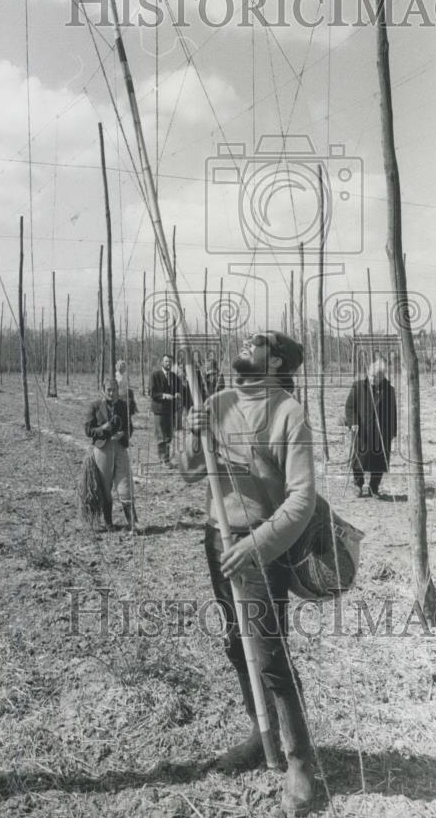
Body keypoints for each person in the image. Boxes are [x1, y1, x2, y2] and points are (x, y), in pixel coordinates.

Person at [179, 330, 316, 816]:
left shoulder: (288, 414)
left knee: (270, 654)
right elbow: (189, 471)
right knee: (237, 644)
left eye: (258, 342)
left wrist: (256, 546)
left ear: (276, 363)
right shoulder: (215, 402)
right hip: (218, 538)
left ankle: (300, 764)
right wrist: (191, 434)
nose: (245, 342)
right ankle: (262, 735)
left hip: (262, 548)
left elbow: (301, 498)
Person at [84, 377, 138, 530]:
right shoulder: (95, 406)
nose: (112, 393)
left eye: (114, 389)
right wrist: (102, 429)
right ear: (103, 390)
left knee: (125, 483)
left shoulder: (123, 405)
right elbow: (88, 430)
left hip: (120, 448)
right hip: (103, 449)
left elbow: (130, 428)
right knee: (104, 486)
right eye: (109, 389)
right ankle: (108, 523)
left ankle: (133, 524)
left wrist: (124, 434)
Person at [344, 357, 397, 498]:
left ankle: (374, 487)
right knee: (359, 460)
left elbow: (393, 412)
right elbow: (350, 407)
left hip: (382, 433)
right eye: (371, 375)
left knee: (379, 461)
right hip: (362, 431)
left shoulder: (389, 390)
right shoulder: (358, 386)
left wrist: (392, 432)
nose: (372, 379)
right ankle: (358, 486)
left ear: (383, 376)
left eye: (376, 377)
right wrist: (353, 422)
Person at [149, 353, 183, 466]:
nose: (168, 364)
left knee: (169, 435)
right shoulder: (155, 375)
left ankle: (166, 458)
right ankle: (164, 459)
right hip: (159, 410)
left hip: (171, 410)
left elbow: (179, 389)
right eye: (166, 361)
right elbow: (152, 392)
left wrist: (178, 393)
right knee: (161, 436)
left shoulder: (174, 376)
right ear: (162, 362)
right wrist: (164, 395)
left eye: (170, 362)